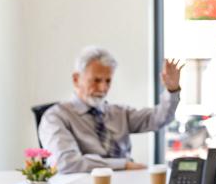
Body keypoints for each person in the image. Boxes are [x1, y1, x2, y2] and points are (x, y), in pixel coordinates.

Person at [39, 46, 184, 173]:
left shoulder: (119, 113)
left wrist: (172, 91)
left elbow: (159, 118)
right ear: (76, 79)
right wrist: (123, 165)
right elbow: (66, 163)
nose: (103, 88)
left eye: (108, 81)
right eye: (96, 80)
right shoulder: (55, 117)